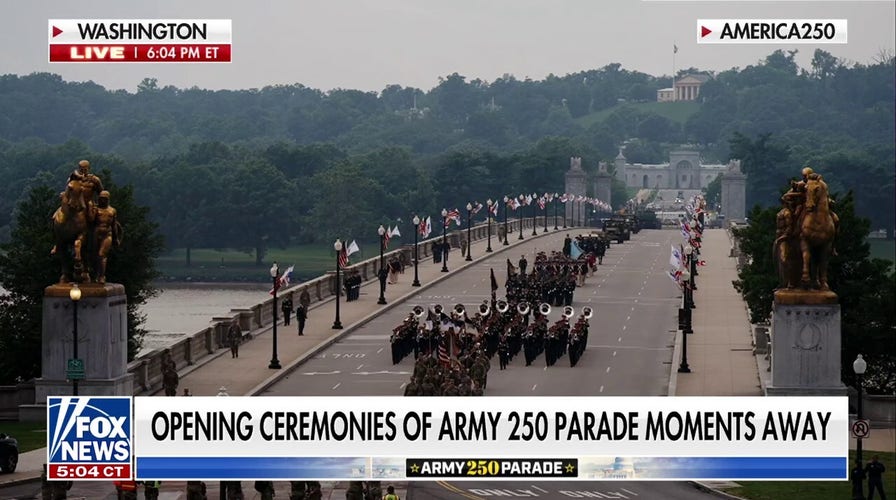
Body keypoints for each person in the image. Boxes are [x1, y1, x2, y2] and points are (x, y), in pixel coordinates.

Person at [92, 190, 122, 284]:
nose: (102, 201)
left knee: (101, 254)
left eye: (104, 199)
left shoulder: (112, 211)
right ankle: (94, 274)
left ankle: (102, 276)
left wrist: (116, 238)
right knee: (93, 256)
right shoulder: (95, 209)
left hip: (107, 234)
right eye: (101, 199)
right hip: (96, 233)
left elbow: (114, 225)